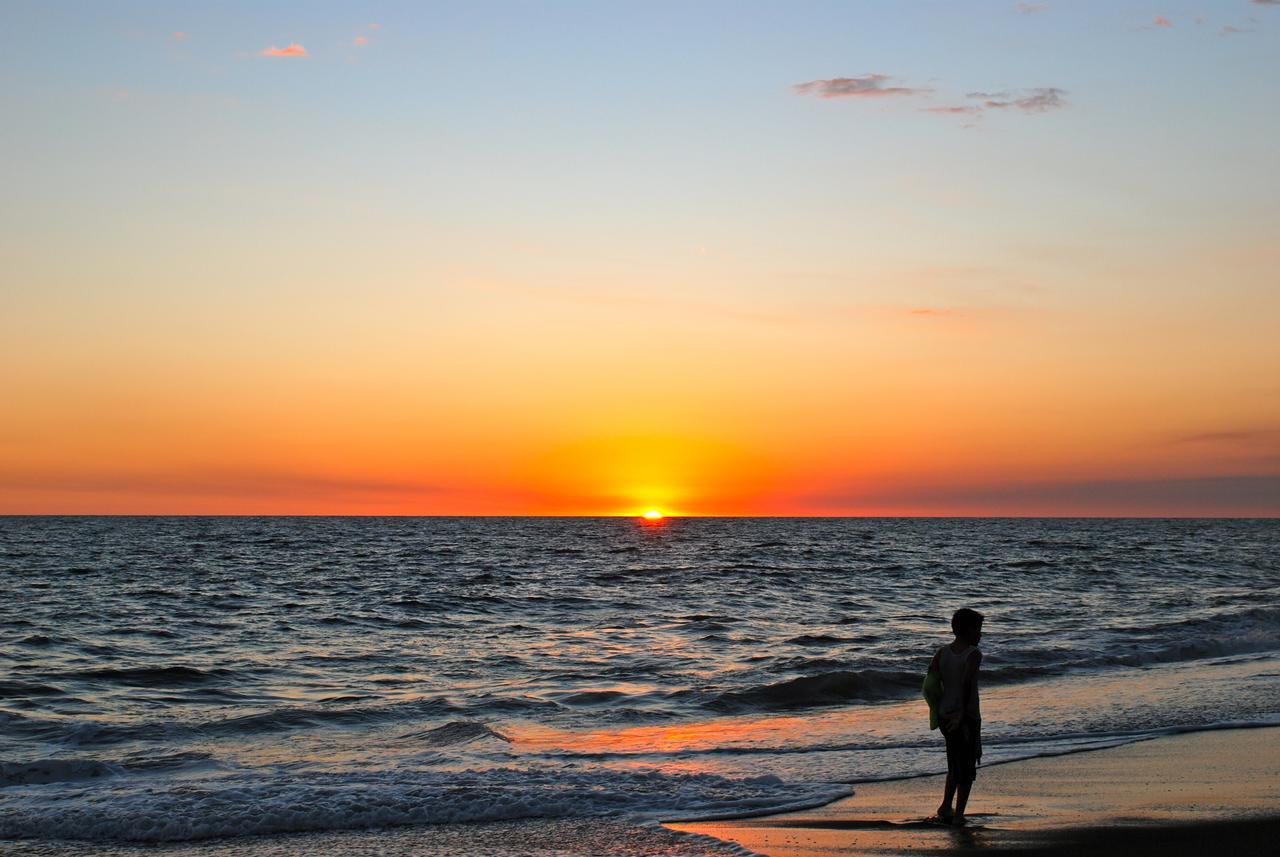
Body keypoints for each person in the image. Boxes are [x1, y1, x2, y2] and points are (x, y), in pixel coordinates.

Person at [930, 608, 984, 825]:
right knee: (967, 766)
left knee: (954, 761)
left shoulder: (942, 652)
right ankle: (959, 814)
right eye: (978, 630)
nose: (980, 635)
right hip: (966, 716)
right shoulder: (973, 654)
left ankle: (945, 806)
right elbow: (967, 683)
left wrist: (936, 708)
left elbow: (931, 680)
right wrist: (962, 713)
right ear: (969, 630)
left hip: (945, 715)